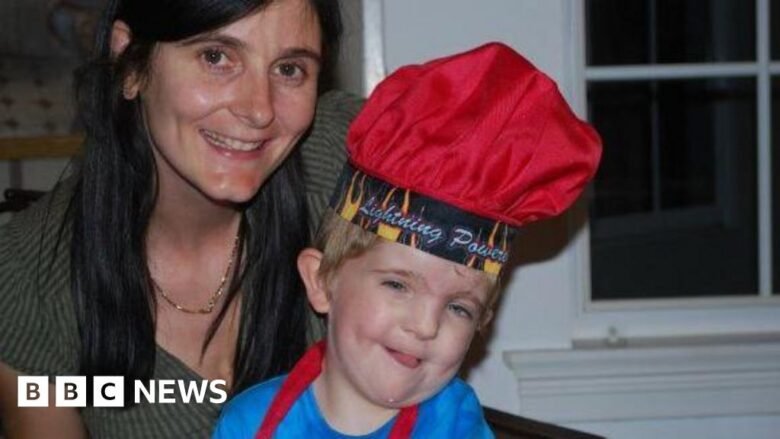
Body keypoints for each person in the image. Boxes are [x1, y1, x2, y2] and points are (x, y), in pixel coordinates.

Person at [0, 0, 363, 437]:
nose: (259, 109)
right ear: (130, 63)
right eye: (216, 57)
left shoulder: (356, 164)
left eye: (289, 69)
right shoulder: (26, 280)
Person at [212, 42, 602, 438]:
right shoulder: (247, 423)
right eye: (397, 285)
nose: (426, 325)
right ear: (321, 280)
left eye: (459, 308)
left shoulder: (457, 428)